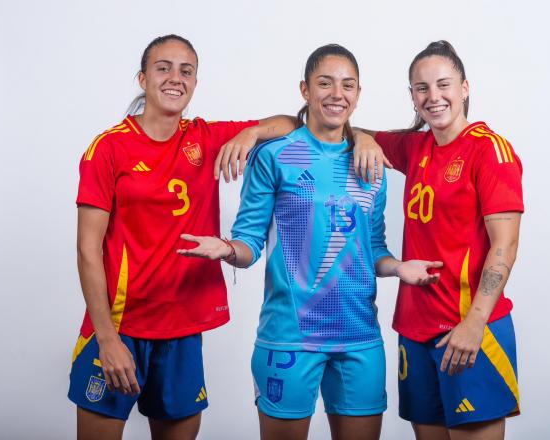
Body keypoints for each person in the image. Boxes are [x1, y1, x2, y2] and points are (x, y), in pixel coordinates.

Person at [178, 44, 442, 440]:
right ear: (305, 90)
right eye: (325, 83)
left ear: (358, 94)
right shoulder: (274, 156)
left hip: (359, 338)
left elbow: (373, 247)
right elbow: (249, 243)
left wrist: (397, 267)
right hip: (289, 337)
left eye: (347, 85)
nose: (337, 94)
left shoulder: (372, 164)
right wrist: (228, 249)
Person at [68, 34, 301, 440]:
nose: (175, 78)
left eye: (186, 71)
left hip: (181, 327)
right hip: (121, 325)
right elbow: (88, 249)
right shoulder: (108, 148)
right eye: (163, 68)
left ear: (195, 82)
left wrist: (250, 134)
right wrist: (107, 339)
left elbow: (292, 124)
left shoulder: (205, 137)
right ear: (142, 78)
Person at [361, 40, 524, 440]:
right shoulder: (416, 145)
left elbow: (505, 246)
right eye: (421, 88)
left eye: (443, 85)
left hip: (467, 328)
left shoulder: (490, 151)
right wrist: (365, 140)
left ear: (464, 88)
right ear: (412, 96)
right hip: (414, 329)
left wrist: (475, 323)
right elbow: (339, 127)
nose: (433, 97)